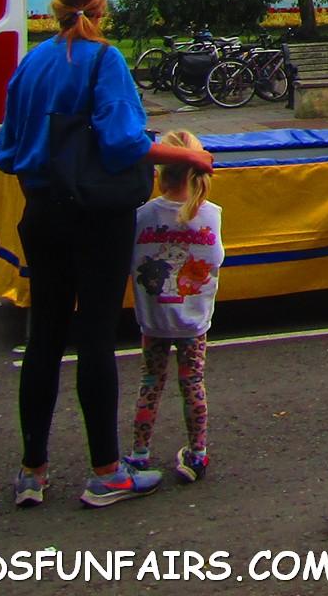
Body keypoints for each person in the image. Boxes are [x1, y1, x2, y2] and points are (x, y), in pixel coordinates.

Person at [0, 0, 212, 510]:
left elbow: (6, 148)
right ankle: (106, 471)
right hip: (95, 216)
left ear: (56, 7)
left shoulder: (31, 62)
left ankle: (33, 471)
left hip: (40, 211)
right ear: (100, 5)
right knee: (93, 336)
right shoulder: (104, 59)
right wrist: (187, 155)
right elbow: (121, 144)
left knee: (42, 336)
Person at [127, 129, 222, 487]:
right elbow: (214, 261)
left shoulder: (143, 215)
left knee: (150, 382)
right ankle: (197, 452)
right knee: (193, 382)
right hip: (194, 320)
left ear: (158, 172)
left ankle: (139, 453)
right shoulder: (211, 215)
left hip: (153, 318)